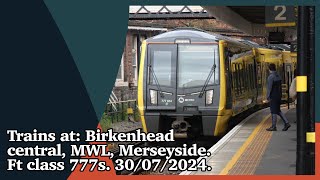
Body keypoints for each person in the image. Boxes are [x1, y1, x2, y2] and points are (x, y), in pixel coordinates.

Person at [266, 63, 291, 131]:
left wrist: (267, 96)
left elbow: (269, 88)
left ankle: (273, 126)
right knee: (278, 110)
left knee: (273, 111)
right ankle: (286, 123)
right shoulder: (278, 76)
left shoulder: (271, 77)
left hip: (273, 96)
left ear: (269, 69)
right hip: (278, 96)